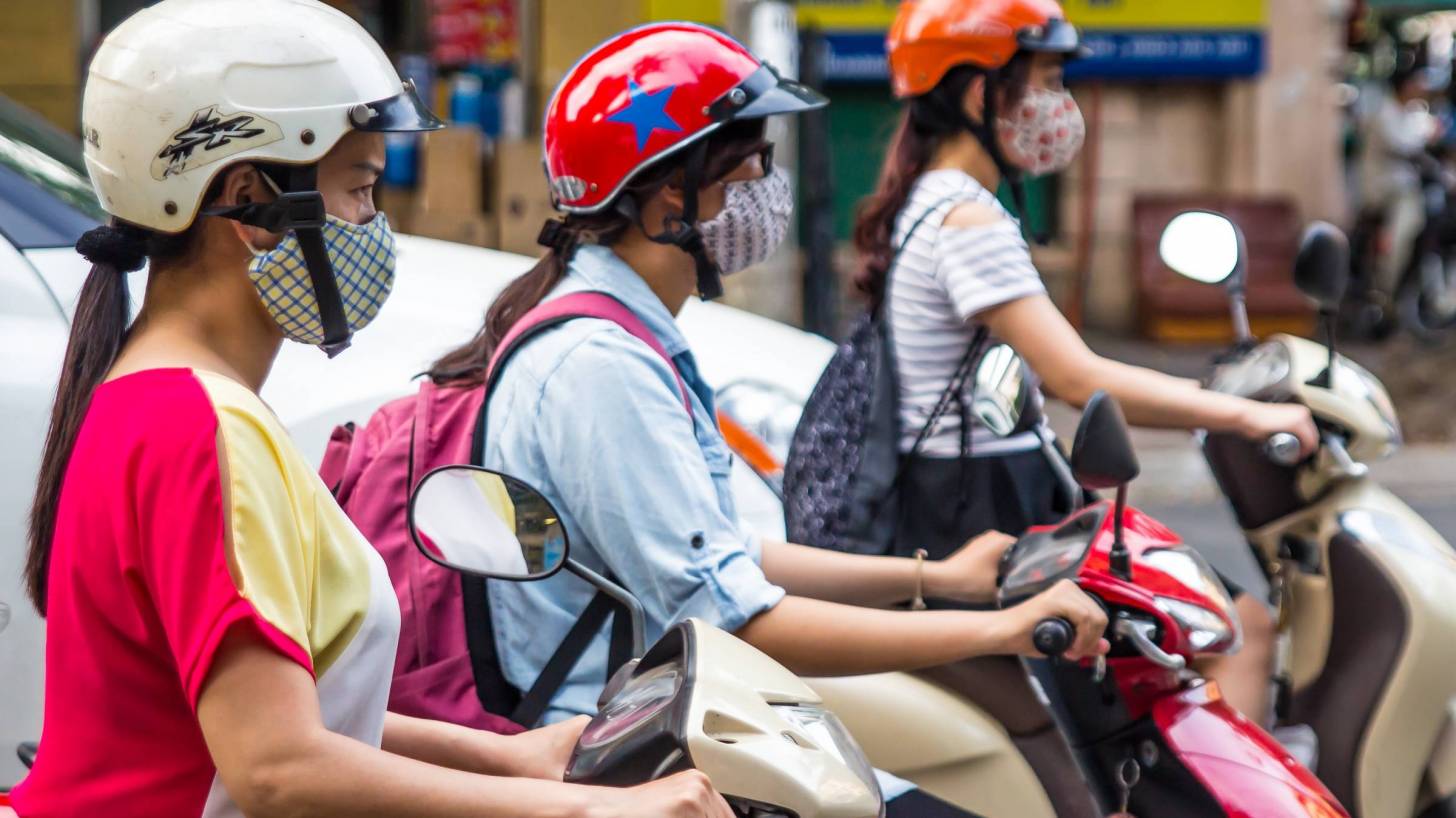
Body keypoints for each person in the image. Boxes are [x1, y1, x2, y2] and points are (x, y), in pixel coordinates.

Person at [8, 3, 731, 817]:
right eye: (359, 189)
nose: (373, 226)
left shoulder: (149, 393)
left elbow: (279, 713)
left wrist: (505, 756)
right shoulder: (198, 425)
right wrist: (588, 808)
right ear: (249, 204)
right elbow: (276, 766)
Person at [424, 22, 1111, 818]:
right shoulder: (601, 364)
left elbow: (718, 552)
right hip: (637, 757)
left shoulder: (631, 334)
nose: (766, 192)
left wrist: (936, 580)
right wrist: (1001, 631)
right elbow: (739, 620)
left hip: (687, 724)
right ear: (671, 190)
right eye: (751, 166)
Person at [853, 0, 1320, 723]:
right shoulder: (967, 219)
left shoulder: (930, 200)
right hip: (983, 509)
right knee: (1236, 630)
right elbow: (1080, 378)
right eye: (1045, 79)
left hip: (965, 496)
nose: (1058, 106)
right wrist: (1247, 414)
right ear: (982, 91)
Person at [1358, 64, 1441, 298]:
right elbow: (1405, 147)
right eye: (1419, 83)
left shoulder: (1409, 115)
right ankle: (1386, 284)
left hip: (1403, 187)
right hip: (1385, 191)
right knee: (1407, 221)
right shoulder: (1384, 113)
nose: (1423, 88)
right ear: (1406, 86)